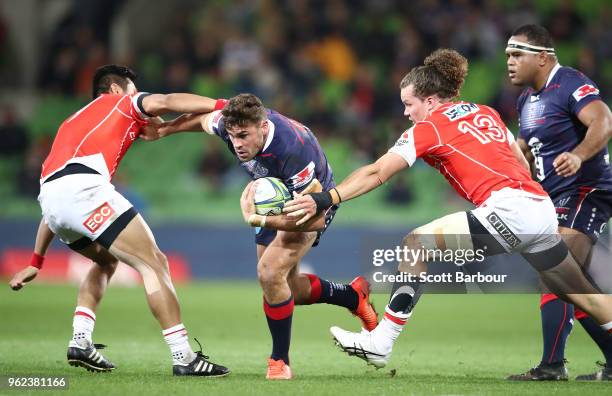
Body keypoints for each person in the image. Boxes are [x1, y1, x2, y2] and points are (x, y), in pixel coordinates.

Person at [283, 49, 612, 369]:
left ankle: (380, 342)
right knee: (585, 296)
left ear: (429, 101)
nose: (406, 113)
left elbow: (377, 171)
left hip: (510, 209)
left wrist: (325, 198)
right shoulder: (485, 112)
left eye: (408, 104)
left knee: (416, 245)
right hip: (539, 207)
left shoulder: (430, 127)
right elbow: (520, 161)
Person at [9, 65, 230, 377]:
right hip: (85, 191)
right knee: (154, 264)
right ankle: (184, 357)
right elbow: (165, 101)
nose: (136, 94)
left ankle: (80, 340)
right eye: (131, 88)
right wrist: (221, 105)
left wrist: (36, 261)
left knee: (105, 262)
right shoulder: (121, 102)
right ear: (114, 89)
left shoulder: (70, 125)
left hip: (53, 203)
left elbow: (55, 200)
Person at [157, 93, 378, 380]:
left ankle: (279, 361)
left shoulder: (293, 151)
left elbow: (315, 220)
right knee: (288, 288)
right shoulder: (230, 124)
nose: (237, 144)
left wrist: (258, 218)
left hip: (311, 203)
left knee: (269, 272)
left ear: (263, 127)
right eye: (233, 136)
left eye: (244, 136)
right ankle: (352, 296)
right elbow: (202, 120)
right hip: (270, 198)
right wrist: (166, 129)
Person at [505, 24, 612, 381]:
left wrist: (580, 155)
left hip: (587, 188)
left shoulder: (569, 82)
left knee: (556, 270)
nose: (510, 61)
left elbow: (603, 120)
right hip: (555, 198)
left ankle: (552, 365)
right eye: (507, 54)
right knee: (573, 284)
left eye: (517, 54)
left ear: (543, 57)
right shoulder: (526, 101)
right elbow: (524, 150)